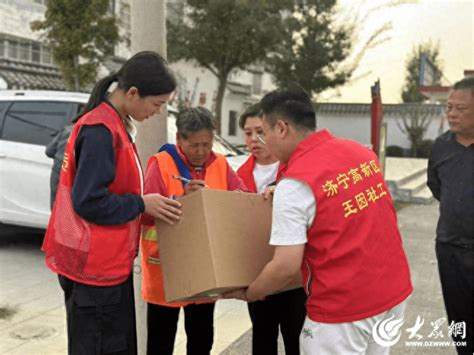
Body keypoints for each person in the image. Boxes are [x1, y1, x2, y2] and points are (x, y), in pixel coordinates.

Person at [225, 87, 413, 354]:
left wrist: (251, 293)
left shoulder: (295, 183)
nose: (261, 141)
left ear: (281, 128)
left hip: (341, 311)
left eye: (264, 133)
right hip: (391, 296)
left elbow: (285, 266)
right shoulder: (361, 154)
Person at [41, 51, 181, 355]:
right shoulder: (101, 131)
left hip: (101, 264)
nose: (157, 112)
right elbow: (89, 201)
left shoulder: (112, 124)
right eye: (157, 104)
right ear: (132, 93)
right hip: (93, 269)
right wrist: (141, 204)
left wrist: (150, 204)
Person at [141, 107, 247, 355]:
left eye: (207, 144)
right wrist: (181, 199)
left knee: (201, 339)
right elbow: (144, 214)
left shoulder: (221, 163)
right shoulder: (161, 164)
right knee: (160, 340)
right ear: (179, 139)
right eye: (195, 145)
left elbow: (241, 200)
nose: (201, 152)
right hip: (165, 269)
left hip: (204, 269)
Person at [237, 103, 306, 355]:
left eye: (259, 131)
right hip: (257, 272)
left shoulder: (296, 170)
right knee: (262, 337)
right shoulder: (238, 174)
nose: (254, 139)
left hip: (292, 272)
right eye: (247, 133)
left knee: (296, 339)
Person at [427, 76, 474, 355]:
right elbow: (436, 187)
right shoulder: (441, 147)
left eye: (462, 109)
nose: (453, 114)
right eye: (449, 107)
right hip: (450, 249)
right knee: (459, 321)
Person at [45, 123, 73, 209]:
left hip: (57, 172)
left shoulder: (68, 129)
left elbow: (49, 151)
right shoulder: (91, 131)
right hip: (73, 175)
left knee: (55, 209)